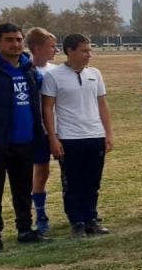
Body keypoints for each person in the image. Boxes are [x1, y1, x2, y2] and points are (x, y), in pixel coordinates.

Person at [0, 23, 47, 254]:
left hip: (24, 143)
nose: (15, 44)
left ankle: (25, 229)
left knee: (22, 189)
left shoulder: (30, 70)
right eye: (9, 40)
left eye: (18, 39)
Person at [41, 33, 113, 239]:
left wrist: (108, 133)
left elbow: (102, 105)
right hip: (69, 138)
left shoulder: (95, 74)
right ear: (70, 51)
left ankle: (91, 219)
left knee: (92, 181)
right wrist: (53, 138)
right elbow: (48, 108)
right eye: (84, 50)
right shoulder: (53, 76)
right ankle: (77, 222)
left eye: (89, 50)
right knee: (72, 182)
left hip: (94, 135)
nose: (89, 54)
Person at [26, 26, 58, 234]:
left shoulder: (55, 71)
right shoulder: (25, 69)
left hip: (59, 129)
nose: (55, 50)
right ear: (37, 48)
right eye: (51, 46)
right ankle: (40, 213)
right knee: (41, 171)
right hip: (37, 132)